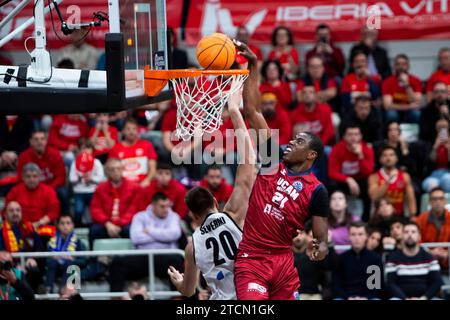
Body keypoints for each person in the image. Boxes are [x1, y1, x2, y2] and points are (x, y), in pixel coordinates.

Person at [232, 42, 329, 300]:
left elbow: (321, 235)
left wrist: (321, 247)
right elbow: (252, 111)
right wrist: (254, 67)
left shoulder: (317, 191)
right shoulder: (272, 159)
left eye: (298, 142)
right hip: (252, 258)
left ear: (311, 155)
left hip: (284, 263)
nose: (290, 143)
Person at [166, 85, 256, 300]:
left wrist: (178, 281)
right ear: (216, 201)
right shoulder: (232, 214)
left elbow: (188, 291)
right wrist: (234, 111)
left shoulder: (192, 246)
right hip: (251, 296)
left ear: (193, 216)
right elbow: (248, 163)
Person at [109, 192, 183, 293]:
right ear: (153, 205)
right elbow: (136, 238)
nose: (166, 209)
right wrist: (164, 238)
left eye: (168, 206)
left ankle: (177, 298)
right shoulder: (140, 217)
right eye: (162, 206)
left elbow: (175, 234)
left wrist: (149, 231)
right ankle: (116, 297)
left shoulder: (174, 216)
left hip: (166, 256)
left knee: (177, 259)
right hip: (143, 256)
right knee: (117, 263)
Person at [328, 124, 374, 221]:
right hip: (343, 180)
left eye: (356, 134)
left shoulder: (366, 149)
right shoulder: (337, 149)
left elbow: (368, 172)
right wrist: (348, 179)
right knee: (331, 185)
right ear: (344, 137)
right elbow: (332, 172)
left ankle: (365, 221)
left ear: (361, 136)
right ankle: (334, 219)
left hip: (361, 180)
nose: (353, 137)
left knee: (369, 186)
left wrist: (360, 156)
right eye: (350, 135)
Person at [89, 158, 140, 245]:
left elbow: (134, 208)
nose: (115, 172)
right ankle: (94, 258)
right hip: (106, 224)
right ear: (107, 172)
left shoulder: (134, 187)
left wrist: (120, 224)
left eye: (118, 168)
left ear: (123, 169)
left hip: (125, 224)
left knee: (131, 230)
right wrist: (107, 224)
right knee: (94, 231)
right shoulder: (100, 188)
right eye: (112, 169)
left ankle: (132, 258)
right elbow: (96, 209)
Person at [385, 222, 443, 299]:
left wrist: (424, 298)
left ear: (419, 236)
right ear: (402, 236)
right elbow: (391, 283)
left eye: (413, 232)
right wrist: (405, 298)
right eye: (406, 232)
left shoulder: (429, 258)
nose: (410, 235)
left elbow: (436, 282)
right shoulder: (393, 258)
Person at [17, 130, 68, 213]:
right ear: (31, 142)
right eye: (36, 139)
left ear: (46, 141)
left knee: (63, 193)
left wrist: (49, 189)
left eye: (42, 139)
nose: (39, 142)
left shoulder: (55, 154)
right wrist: (33, 188)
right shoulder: (24, 156)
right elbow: (20, 177)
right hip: (31, 187)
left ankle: (63, 220)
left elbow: (61, 176)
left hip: (51, 187)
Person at [332, 222, 383, 300]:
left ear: (366, 236)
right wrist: (347, 298)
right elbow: (336, 285)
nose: (357, 238)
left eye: (360, 234)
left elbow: (377, 286)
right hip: (346, 297)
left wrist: (366, 298)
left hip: (368, 298)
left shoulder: (375, 259)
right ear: (348, 237)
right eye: (353, 234)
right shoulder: (341, 259)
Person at [5, 163, 59, 236]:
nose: (32, 179)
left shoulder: (49, 191)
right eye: (28, 177)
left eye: (35, 176)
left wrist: (39, 223)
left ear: (39, 177)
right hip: (19, 226)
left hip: (41, 226)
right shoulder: (15, 191)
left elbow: (54, 212)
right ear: (23, 177)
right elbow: (6, 210)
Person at [292, 223, 338, 300]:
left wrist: (329, 243)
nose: (298, 237)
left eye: (301, 233)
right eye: (311, 237)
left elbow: (333, 265)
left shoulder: (318, 254)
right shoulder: (288, 255)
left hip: (315, 295)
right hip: (295, 294)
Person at [368, 145, 417, 217]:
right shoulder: (374, 177)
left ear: (396, 158)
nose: (388, 158)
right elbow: (374, 197)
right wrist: (387, 181)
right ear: (380, 159)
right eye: (385, 155)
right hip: (379, 217)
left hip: (399, 216)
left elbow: (411, 198)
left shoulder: (405, 176)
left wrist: (413, 215)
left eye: (391, 155)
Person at [108, 118, 157, 187]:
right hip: (123, 187)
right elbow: (111, 171)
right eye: (128, 129)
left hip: (143, 185)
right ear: (123, 131)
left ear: (138, 131)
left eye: (134, 129)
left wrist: (147, 181)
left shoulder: (147, 145)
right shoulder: (115, 148)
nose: (131, 132)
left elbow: (153, 169)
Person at [45, 214, 87, 293]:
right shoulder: (51, 241)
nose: (65, 226)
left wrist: (73, 259)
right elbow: (45, 260)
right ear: (58, 225)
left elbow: (84, 261)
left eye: (68, 223)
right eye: (62, 223)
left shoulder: (78, 242)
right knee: (52, 262)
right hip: (55, 269)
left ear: (73, 225)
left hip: (71, 270)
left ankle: (66, 294)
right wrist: (53, 257)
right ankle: (47, 291)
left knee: (72, 265)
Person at [69, 139, 105, 227]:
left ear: (92, 150)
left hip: (93, 192)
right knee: (78, 210)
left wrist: (91, 178)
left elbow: (101, 178)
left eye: (88, 148)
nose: (85, 151)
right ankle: (78, 226)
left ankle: (95, 226)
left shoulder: (96, 163)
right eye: (83, 148)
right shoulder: (75, 163)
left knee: (95, 210)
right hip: (79, 192)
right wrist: (79, 177)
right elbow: (71, 179)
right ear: (79, 150)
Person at [382, 54, 423, 124]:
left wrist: (406, 85)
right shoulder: (387, 82)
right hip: (395, 110)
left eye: (404, 64)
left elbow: (417, 103)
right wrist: (409, 106)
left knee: (417, 114)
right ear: (394, 66)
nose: (401, 67)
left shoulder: (416, 80)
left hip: (409, 112)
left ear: (408, 66)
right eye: (398, 64)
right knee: (391, 115)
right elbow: (387, 105)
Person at [416, 187, 450, 269]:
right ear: (429, 201)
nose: (438, 202)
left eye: (441, 199)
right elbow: (417, 242)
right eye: (434, 199)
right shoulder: (421, 219)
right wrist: (430, 252)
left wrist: (447, 253)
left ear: (445, 201)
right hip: (426, 262)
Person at [421, 118, 450, 192]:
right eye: (439, 128)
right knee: (429, 183)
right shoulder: (429, 143)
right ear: (435, 129)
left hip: (448, 173)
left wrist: (448, 148)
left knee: (447, 179)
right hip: (434, 174)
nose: (442, 130)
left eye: (444, 127)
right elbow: (430, 162)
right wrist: (435, 147)